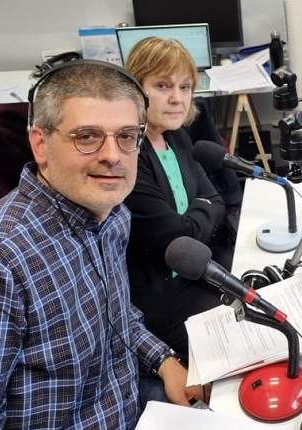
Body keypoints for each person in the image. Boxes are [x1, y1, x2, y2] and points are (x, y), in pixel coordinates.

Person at [0, 60, 202, 428]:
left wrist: (165, 361)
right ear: (40, 144)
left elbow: (116, 318)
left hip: (130, 406)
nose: (112, 155)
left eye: (126, 136)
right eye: (87, 136)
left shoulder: (111, 214)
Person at [123, 37, 234, 365]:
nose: (177, 99)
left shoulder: (178, 137)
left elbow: (218, 199)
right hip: (162, 298)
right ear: (135, 89)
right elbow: (176, 238)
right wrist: (204, 210)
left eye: (185, 87)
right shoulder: (130, 152)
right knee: (237, 341)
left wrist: (198, 214)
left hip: (198, 269)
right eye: (162, 85)